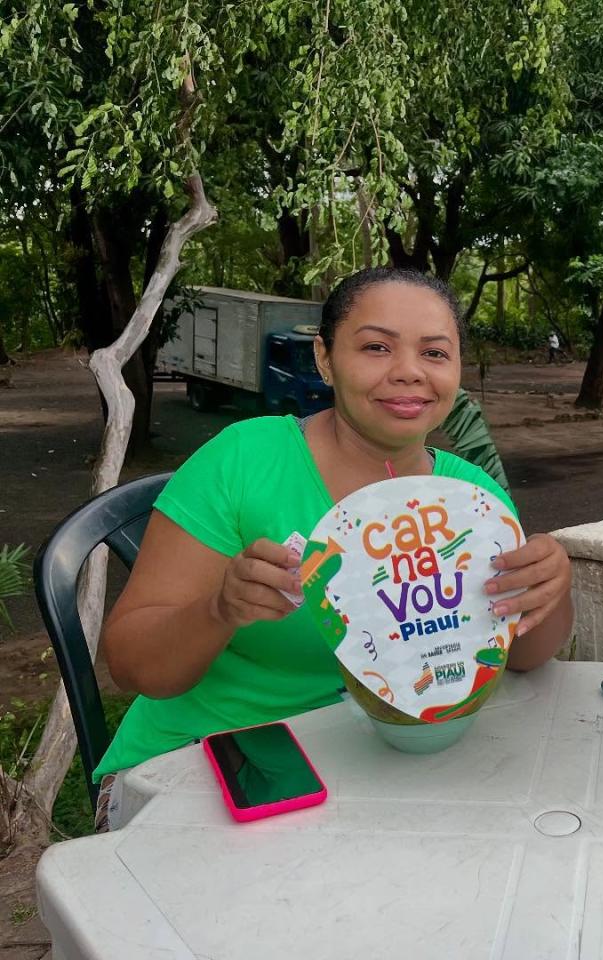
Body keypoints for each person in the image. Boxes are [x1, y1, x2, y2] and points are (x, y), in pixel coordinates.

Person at [95, 266, 574, 828]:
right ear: (325, 358)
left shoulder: (470, 498)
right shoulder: (243, 461)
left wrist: (548, 587)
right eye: (376, 347)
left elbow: (524, 652)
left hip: (372, 768)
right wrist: (219, 609)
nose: (408, 373)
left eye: (435, 353)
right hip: (202, 767)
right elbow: (132, 665)